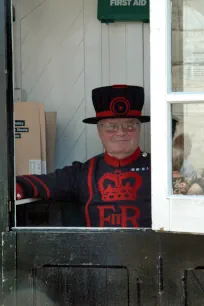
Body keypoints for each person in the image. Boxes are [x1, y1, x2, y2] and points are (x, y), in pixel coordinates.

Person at [16, 85, 151, 228]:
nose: (120, 133)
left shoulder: (160, 170)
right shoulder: (83, 173)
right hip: (96, 249)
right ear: (99, 132)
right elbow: (38, 183)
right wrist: (14, 188)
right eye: (111, 126)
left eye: (129, 125)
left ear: (139, 129)